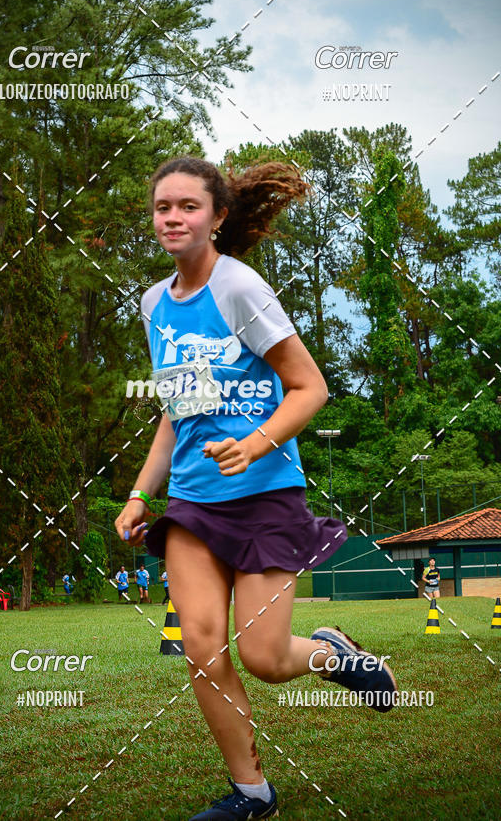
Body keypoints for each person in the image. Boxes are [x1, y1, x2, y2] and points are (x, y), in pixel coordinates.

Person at [115, 156, 398, 820]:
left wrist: (254, 443)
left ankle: (331, 652)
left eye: (188, 206)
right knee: (201, 648)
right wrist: (138, 493)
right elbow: (174, 412)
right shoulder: (155, 304)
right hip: (190, 502)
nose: (174, 217)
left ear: (216, 216)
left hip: (266, 494)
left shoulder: (241, 289)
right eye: (163, 208)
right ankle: (253, 795)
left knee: (265, 657)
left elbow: (311, 387)